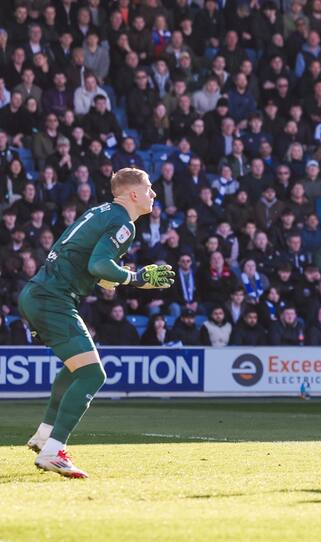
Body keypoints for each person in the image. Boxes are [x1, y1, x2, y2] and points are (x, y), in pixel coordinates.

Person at [19, 167, 175, 478]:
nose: (154, 194)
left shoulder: (100, 212)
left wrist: (106, 277)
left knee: (76, 369)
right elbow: (99, 263)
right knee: (93, 375)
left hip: (38, 294)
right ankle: (54, 451)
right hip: (53, 299)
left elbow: (85, 259)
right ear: (133, 194)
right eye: (149, 188)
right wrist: (134, 277)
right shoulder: (124, 223)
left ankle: (45, 435)